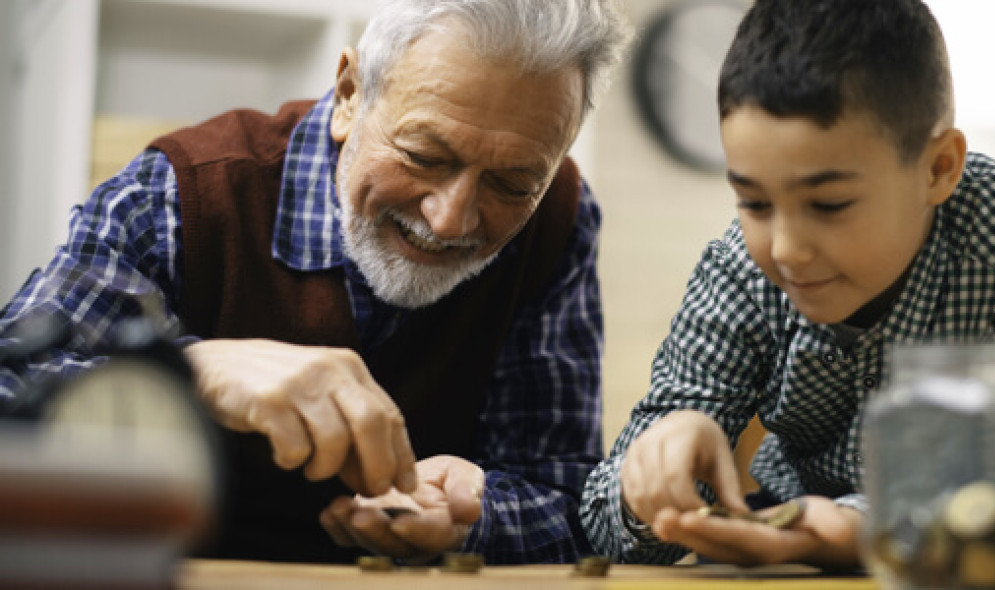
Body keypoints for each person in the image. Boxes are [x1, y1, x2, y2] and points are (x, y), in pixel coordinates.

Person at [0, 0, 630, 565]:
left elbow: (568, 497)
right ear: (350, 94)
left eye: (512, 184)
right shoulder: (181, 193)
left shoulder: (558, 221)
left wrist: (474, 517)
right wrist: (190, 371)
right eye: (424, 156)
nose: (450, 219)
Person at [580, 0, 995, 568]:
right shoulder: (739, 270)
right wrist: (655, 476)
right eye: (753, 201)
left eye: (828, 204)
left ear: (938, 168)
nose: (785, 249)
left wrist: (863, 527)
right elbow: (605, 527)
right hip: (789, 530)